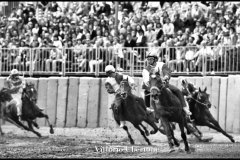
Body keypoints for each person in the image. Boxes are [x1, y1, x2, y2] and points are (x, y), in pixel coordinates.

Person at [141, 52, 192, 119]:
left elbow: (167, 72)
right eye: (148, 59)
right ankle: (147, 109)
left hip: (163, 85)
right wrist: (147, 82)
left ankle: (184, 108)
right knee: (146, 93)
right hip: (152, 85)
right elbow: (145, 78)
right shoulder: (145, 69)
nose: (149, 61)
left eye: (151, 59)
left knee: (177, 90)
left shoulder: (162, 64)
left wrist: (166, 77)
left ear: (155, 59)